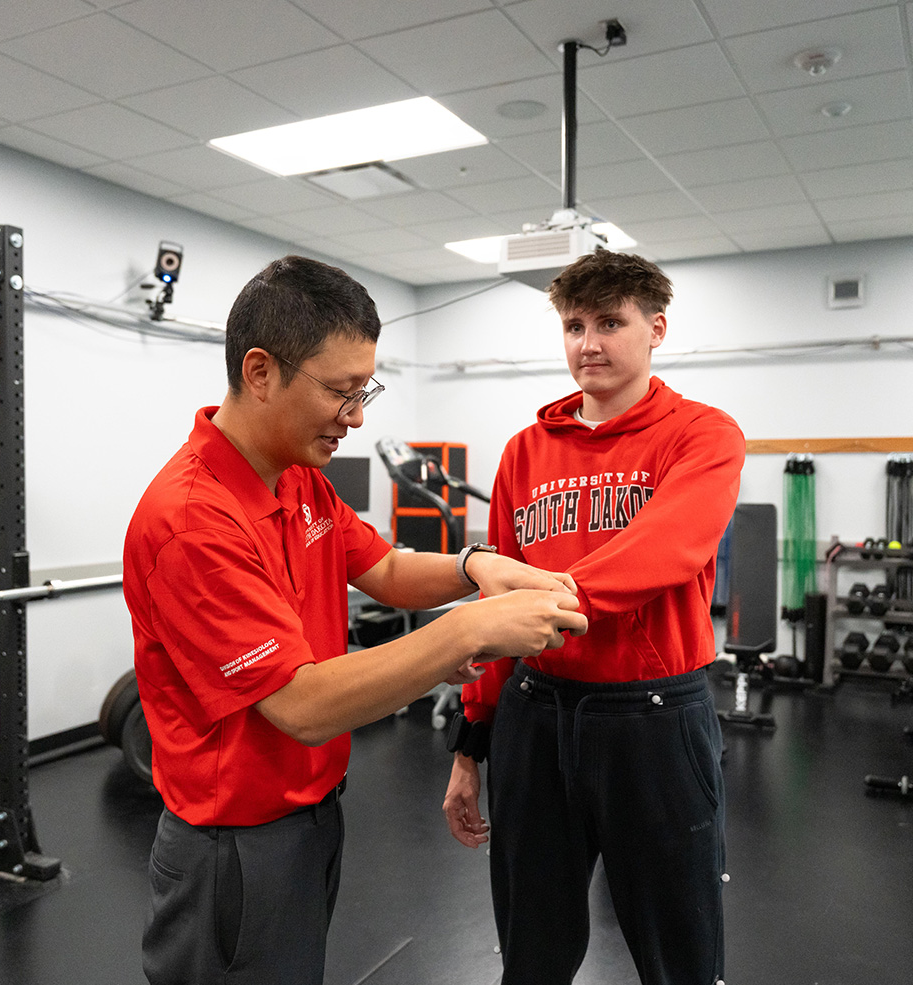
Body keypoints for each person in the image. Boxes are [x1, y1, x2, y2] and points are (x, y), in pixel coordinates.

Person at [122, 254, 587, 985]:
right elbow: (301, 704)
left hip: (312, 818)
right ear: (260, 371)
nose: (359, 416)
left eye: (364, 389)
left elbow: (386, 568)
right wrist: (467, 631)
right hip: (234, 846)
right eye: (341, 391)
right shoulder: (192, 520)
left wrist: (476, 566)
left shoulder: (297, 475)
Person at [442, 249, 745, 985]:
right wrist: (469, 741)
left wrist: (524, 609)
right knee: (531, 950)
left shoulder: (702, 435)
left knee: (680, 953)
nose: (589, 343)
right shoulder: (525, 451)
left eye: (611, 322)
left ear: (656, 329)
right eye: (575, 325)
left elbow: (664, 552)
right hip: (533, 718)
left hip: (652, 721)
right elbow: (495, 600)